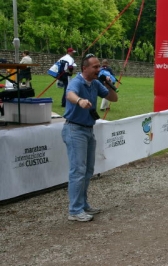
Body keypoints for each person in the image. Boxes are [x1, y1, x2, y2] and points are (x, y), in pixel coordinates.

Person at [61, 53, 118, 222]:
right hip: (74, 129)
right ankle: (74, 210)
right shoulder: (77, 82)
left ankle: (83, 204)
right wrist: (79, 101)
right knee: (78, 170)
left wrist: (108, 85)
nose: (98, 69)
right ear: (84, 68)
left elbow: (114, 98)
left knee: (87, 170)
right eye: (95, 67)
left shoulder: (95, 83)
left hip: (88, 130)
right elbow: (69, 95)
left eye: (99, 66)